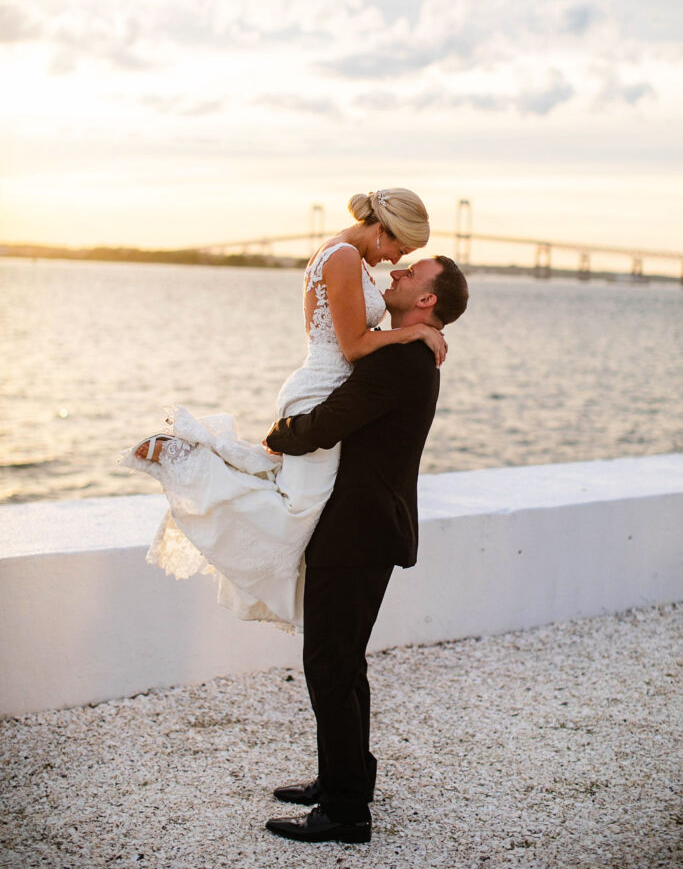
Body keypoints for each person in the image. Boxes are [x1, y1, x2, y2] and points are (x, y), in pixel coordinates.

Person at [121, 189, 446, 630]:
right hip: (321, 388)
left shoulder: (349, 256)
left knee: (295, 493)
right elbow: (353, 347)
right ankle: (187, 460)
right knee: (298, 508)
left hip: (328, 388)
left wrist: (418, 327)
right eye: (399, 248)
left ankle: (211, 454)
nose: (395, 260)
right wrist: (414, 334)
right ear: (383, 230)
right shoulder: (345, 256)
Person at [264, 255, 469, 844]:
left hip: (359, 529)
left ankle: (347, 813)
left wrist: (278, 434)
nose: (398, 273)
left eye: (413, 275)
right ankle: (344, 781)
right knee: (342, 662)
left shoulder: (405, 358)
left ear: (428, 301)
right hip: (367, 525)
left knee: (329, 665)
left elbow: (330, 422)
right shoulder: (405, 347)